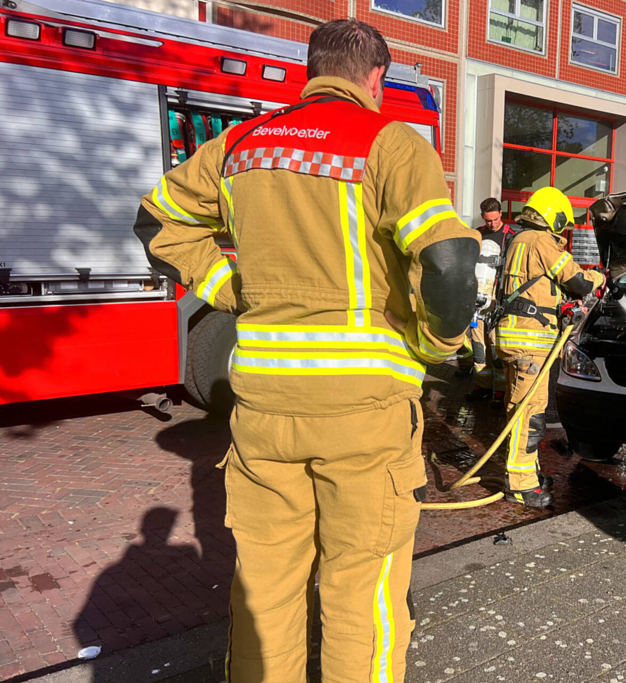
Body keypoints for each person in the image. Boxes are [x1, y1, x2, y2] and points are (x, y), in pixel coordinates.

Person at [132, 19, 480, 682]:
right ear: (375, 77)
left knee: (264, 592)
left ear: (311, 69)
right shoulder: (390, 143)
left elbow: (155, 220)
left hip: (263, 412)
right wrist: (437, 342)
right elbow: (452, 260)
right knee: (361, 596)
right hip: (365, 415)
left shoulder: (240, 145)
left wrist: (227, 287)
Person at [494, 187, 605, 508]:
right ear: (553, 216)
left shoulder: (517, 239)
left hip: (512, 336)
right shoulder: (542, 242)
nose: (563, 229)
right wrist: (598, 278)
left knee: (518, 408)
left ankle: (528, 471)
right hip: (530, 341)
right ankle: (521, 484)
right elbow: (577, 282)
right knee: (529, 414)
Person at [465, 197, 519, 408]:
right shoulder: (477, 235)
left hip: (498, 301)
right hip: (477, 300)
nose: (493, 224)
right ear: (483, 218)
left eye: (496, 219)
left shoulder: (510, 238)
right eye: (489, 221)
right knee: (479, 347)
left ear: (500, 215)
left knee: (496, 347)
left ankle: (501, 390)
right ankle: (482, 386)